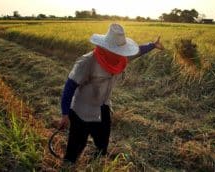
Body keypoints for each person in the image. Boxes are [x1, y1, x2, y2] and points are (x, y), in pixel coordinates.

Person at [59, 23, 164, 164]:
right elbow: (69, 86)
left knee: (102, 143)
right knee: (76, 146)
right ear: (106, 48)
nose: (121, 54)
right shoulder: (87, 62)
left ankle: (95, 163)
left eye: (122, 51)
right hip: (81, 110)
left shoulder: (121, 59)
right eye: (117, 51)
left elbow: (138, 51)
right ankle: (68, 165)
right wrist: (65, 114)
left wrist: (152, 45)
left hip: (103, 106)